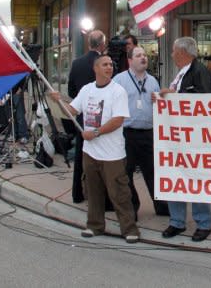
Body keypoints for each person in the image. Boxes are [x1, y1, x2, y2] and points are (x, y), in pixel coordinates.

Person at [49, 54, 139, 243]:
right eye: (104, 65)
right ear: (95, 69)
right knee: (93, 190)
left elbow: (118, 120)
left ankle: (129, 229)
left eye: (111, 64)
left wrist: (96, 133)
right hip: (90, 152)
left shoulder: (118, 91)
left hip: (112, 154)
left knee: (119, 193)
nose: (109, 68)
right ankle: (95, 225)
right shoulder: (87, 90)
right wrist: (58, 101)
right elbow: (72, 111)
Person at [155, 36, 211, 242]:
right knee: (175, 176)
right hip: (176, 137)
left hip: (195, 137)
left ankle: (203, 223)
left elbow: (205, 99)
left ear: (182, 52)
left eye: (173, 51)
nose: (171, 55)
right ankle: (177, 222)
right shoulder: (181, 72)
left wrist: (173, 95)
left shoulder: (199, 71)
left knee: (196, 178)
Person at [113, 45, 169, 218]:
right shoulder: (119, 80)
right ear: (130, 60)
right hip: (127, 133)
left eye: (144, 55)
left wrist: (160, 98)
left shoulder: (152, 81)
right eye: (138, 55)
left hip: (148, 133)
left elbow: (160, 106)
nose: (143, 58)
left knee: (153, 172)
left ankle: (161, 207)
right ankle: (132, 208)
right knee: (126, 174)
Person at [67, 30, 107, 203]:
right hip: (102, 117)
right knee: (103, 157)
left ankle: (77, 193)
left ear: (89, 43)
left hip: (83, 116)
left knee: (80, 156)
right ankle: (101, 197)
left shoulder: (77, 63)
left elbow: (71, 91)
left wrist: (82, 102)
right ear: (102, 44)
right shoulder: (105, 64)